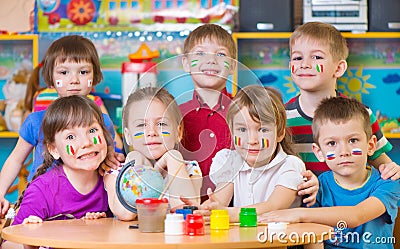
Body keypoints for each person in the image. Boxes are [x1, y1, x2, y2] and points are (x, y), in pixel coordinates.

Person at [180, 24, 317, 204]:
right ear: (185, 63)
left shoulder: (248, 110)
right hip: (194, 209)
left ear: (233, 66)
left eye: (221, 54)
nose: (211, 60)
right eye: (200, 53)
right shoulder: (176, 115)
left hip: (235, 212)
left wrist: (313, 182)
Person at [0, 35, 124, 218]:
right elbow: (16, 160)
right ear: (50, 79)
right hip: (43, 206)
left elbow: (111, 156)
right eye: (64, 72)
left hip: (89, 207)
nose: (74, 80)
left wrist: (114, 157)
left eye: (83, 72)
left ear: (94, 76)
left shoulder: (102, 122)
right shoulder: (36, 121)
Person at [260, 97, 400, 249]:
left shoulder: (388, 182)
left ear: (371, 145)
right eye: (332, 143)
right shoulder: (319, 188)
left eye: (353, 140)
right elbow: (312, 236)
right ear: (319, 152)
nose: (343, 152)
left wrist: (298, 214)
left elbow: (357, 215)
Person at [285, 21, 400, 180]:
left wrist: (392, 169)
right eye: (297, 58)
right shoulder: (281, 118)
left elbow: (382, 163)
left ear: (338, 68)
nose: (304, 64)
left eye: (316, 57)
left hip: (347, 203)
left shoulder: (361, 115)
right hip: (299, 203)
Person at [179, 85, 308, 222]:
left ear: (280, 133)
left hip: (280, 240)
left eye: (263, 130)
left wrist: (229, 214)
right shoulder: (230, 161)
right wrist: (202, 211)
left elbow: (273, 206)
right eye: (242, 130)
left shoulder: (290, 165)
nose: (252, 140)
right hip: (244, 240)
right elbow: (218, 201)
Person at [2, 95, 113, 249]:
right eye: (71, 136)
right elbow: (8, 244)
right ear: (54, 149)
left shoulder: (113, 179)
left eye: (92, 130)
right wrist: (28, 244)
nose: (86, 142)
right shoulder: (42, 190)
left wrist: (104, 225)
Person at [104, 87, 202, 221]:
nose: (151, 132)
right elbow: (126, 214)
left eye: (161, 124)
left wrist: (174, 159)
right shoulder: (116, 172)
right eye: (141, 125)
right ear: (128, 136)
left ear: (178, 133)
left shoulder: (189, 169)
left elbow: (185, 210)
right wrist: (136, 163)